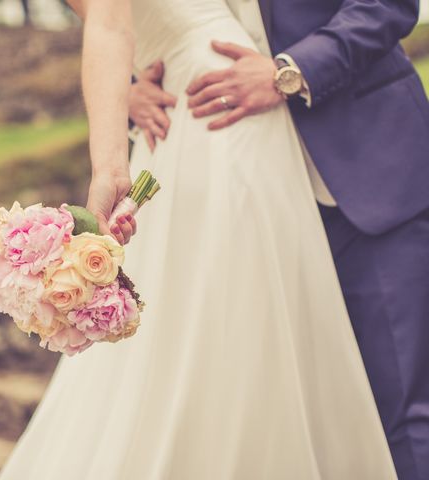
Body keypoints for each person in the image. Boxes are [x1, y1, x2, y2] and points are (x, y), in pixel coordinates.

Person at [0, 0, 401, 477]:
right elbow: (108, 22)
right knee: (231, 319)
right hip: (219, 114)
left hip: (229, 102)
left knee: (249, 316)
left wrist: (130, 88)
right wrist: (110, 163)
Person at [129, 1, 429, 478]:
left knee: (403, 409)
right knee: (294, 415)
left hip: (365, 180)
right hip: (236, 211)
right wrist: (132, 91)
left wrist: (287, 73)